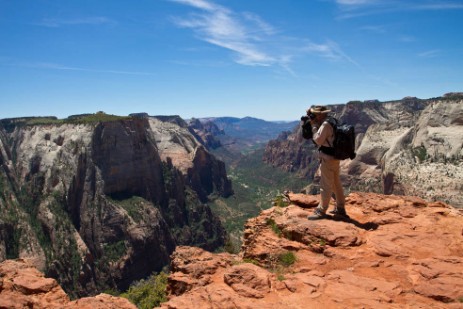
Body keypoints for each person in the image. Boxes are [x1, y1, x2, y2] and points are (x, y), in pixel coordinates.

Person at [306, 105, 349, 220]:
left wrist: (314, 126)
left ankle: (321, 210)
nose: (314, 116)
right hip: (335, 157)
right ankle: (340, 208)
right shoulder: (333, 120)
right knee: (336, 184)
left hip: (328, 158)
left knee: (325, 185)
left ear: (320, 114)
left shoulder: (325, 124)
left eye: (315, 114)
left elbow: (318, 140)